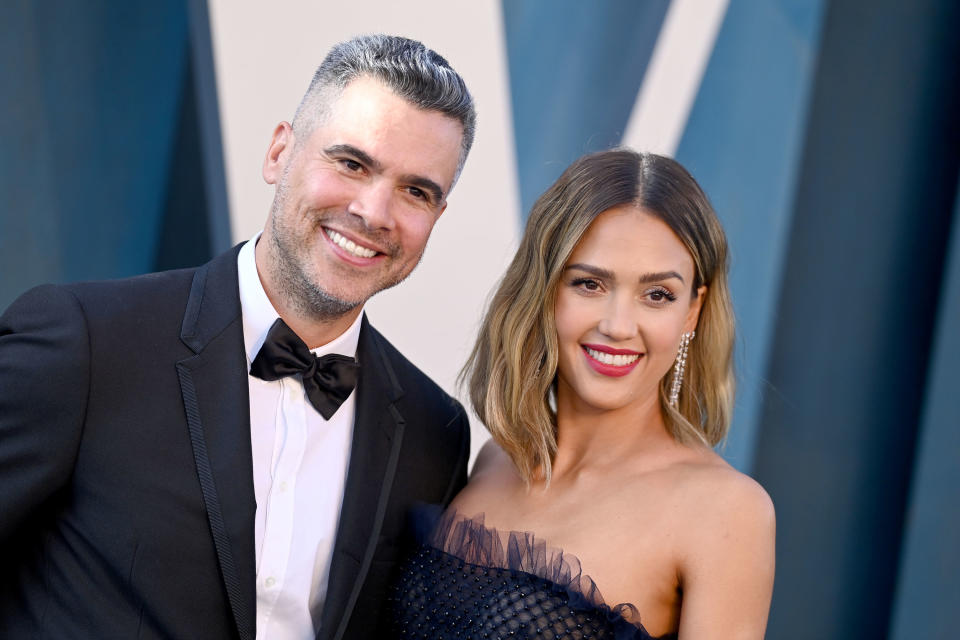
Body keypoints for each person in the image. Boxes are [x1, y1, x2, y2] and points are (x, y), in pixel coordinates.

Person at [0, 35, 474, 640]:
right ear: (280, 151)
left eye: (416, 191)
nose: (375, 211)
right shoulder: (85, 343)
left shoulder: (435, 434)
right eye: (352, 164)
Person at [388, 149, 776, 639]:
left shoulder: (726, 512)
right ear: (545, 290)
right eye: (590, 284)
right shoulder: (494, 461)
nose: (617, 326)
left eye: (657, 294)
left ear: (692, 313)